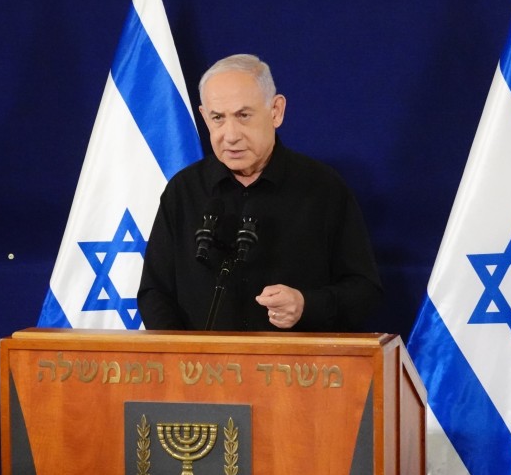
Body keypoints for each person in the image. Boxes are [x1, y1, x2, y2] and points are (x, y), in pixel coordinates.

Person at [138, 53, 382, 332]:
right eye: (218, 118)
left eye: (243, 116)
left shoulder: (323, 188)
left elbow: (365, 292)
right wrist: (182, 358)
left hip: (297, 370)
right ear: (205, 117)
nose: (230, 135)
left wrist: (307, 305)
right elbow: (154, 292)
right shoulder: (183, 191)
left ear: (276, 111)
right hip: (199, 372)